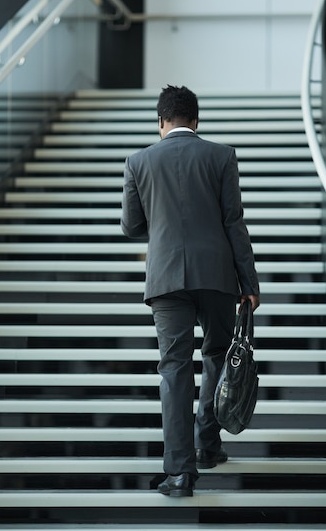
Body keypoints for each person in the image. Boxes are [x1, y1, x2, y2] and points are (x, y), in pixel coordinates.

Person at [121, 85, 260, 497]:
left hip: (165, 279)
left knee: (174, 369)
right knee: (218, 353)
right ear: (195, 121)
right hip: (217, 275)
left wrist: (163, 227)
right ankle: (208, 443)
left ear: (161, 121)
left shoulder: (138, 161)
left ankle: (179, 473)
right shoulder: (221, 156)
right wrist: (249, 283)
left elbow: (130, 226)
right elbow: (234, 222)